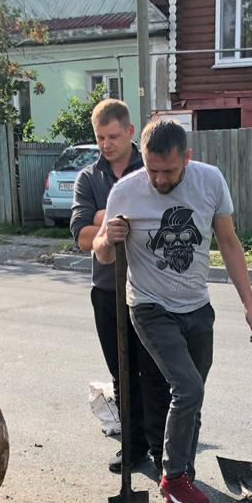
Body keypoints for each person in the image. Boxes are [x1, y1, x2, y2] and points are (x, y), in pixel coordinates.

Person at [93, 118, 252, 503]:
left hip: (196, 306)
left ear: (187, 158)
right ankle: (173, 477)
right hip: (150, 307)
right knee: (186, 387)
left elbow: (229, 243)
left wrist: (249, 304)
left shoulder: (210, 181)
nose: (158, 178)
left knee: (195, 392)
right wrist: (108, 238)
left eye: (168, 171)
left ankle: (183, 476)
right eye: (152, 169)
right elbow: (100, 253)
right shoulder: (126, 190)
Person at [70, 97, 170, 475]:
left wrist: (107, 218)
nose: (106, 144)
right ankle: (133, 446)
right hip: (107, 290)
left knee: (154, 372)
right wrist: (107, 222)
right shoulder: (89, 178)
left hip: (148, 290)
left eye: (113, 135)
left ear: (130, 132)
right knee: (121, 372)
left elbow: (157, 224)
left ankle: (162, 450)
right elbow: (82, 237)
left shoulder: (150, 171)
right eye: (100, 137)